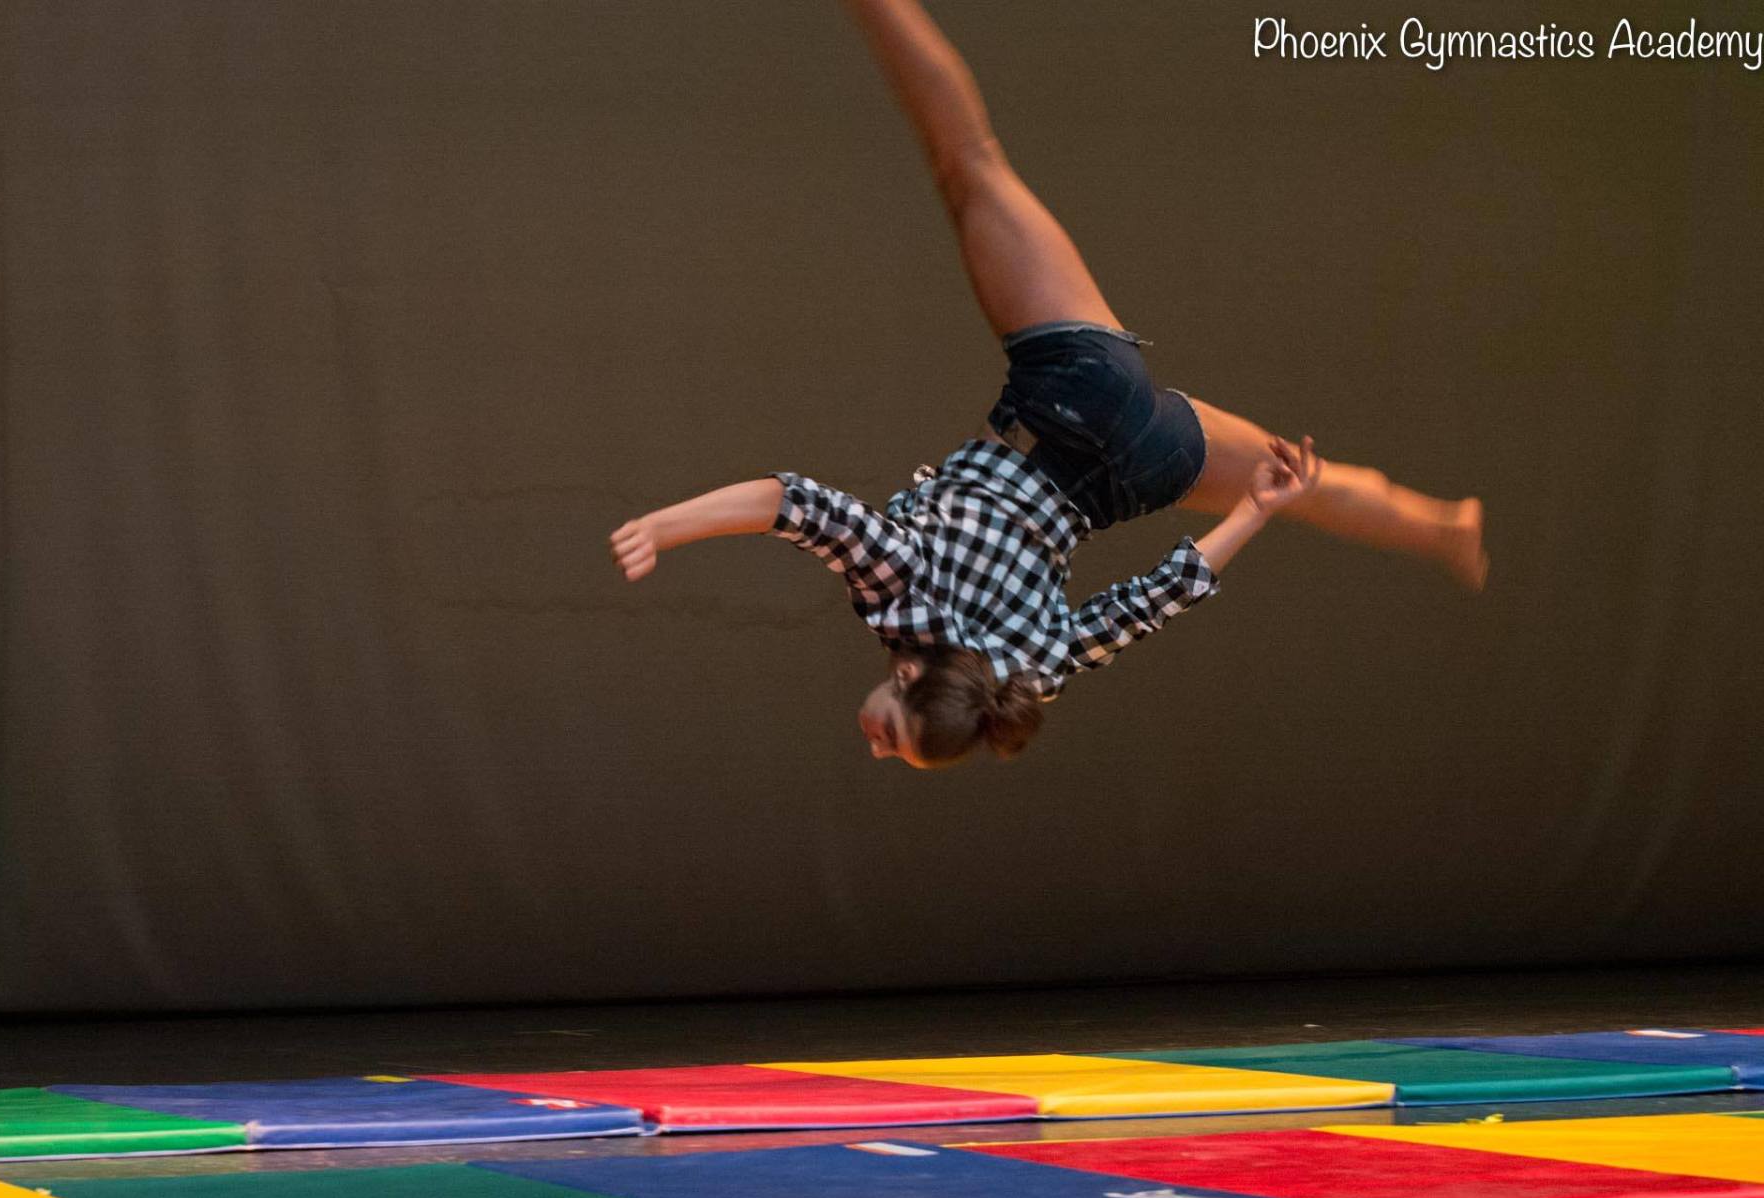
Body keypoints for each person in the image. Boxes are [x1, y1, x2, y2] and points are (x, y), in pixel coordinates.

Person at [608, 0, 1487, 769]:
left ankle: (1444, 527)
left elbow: (1155, 598)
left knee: (1310, 487)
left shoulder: (1032, 675)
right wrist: (664, 527)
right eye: (893, 736)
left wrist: (1256, 508)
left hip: (1139, 467)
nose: (874, 742)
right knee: (968, 162)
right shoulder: (898, 591)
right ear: (910, 678)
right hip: (1074, 400)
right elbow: (790, 503)